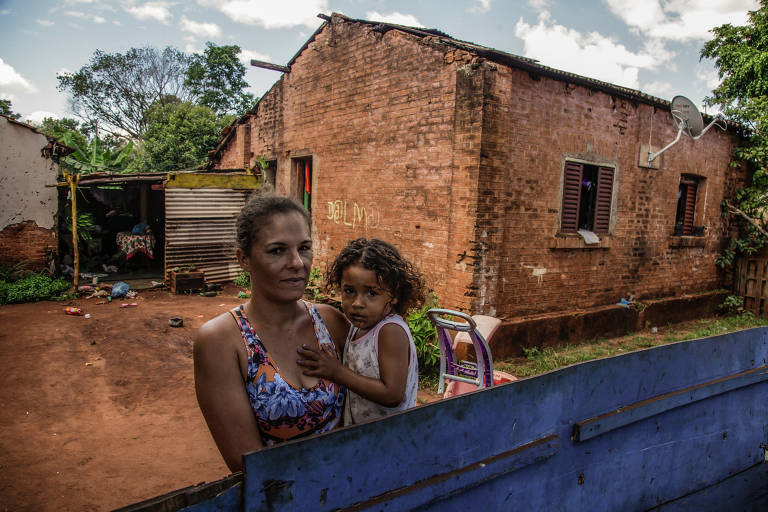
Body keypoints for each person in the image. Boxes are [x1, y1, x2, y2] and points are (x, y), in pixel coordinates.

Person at [193, 195, 348, 472]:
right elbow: (247, 465)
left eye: (304, 248)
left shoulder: (331, 322)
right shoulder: (223, 341)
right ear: (244, 259)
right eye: (277, 250)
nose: (297, 262)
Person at [297, 238, 424, 425]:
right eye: (349, 291)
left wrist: (336, 372)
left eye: (371, 293)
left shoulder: (390, 331)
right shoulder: (357, 327)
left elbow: (392, 394)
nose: (357, 303)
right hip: (364, 438)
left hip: (391, 440)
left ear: (394, 295)